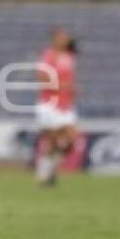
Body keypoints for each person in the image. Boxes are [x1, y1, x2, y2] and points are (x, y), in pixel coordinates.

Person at [35, 27, 78, 186]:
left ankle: (49, 170)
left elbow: (70, 78)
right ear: (55, 39)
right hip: (49, 105)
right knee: (52, 142)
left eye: (66, 37)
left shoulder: (69, 57)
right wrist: (62, 86)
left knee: (72, 140)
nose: (64, 40)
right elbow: (42, 79)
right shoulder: (48, 56)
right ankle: (44, 175)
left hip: (66, 105)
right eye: (61, 37)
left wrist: (73, 89)